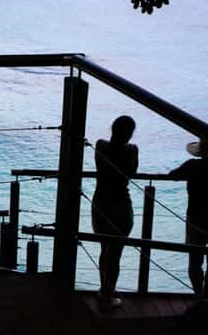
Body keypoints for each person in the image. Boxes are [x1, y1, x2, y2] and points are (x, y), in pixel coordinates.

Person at [91, 116, 138, 308]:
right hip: (121, 205)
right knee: (115, 253)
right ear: (130, 134)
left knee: (105, 249)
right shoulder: (132, 150)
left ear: (112, 128)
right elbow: (132, 172)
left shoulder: (100, 146)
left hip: (101, 203)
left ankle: (104, 290)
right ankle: (108, 296)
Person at [169, 138, 208, 296]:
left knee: (195, 261)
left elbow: (172, 175)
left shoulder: (193, 166)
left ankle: (199, 295)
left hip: (196, 217)